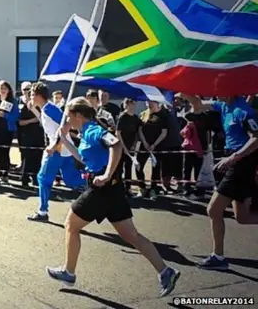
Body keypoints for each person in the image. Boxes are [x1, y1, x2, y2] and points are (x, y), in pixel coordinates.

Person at [46, 97, 180, 297]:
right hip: (111, 189)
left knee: (71, 225)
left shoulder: (93, 131)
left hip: (103, 189)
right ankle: (165, 271)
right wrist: (64, 140)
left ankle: (69, 272)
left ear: (78, 115)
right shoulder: (85, 133)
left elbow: (116, 145)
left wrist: (107, 174)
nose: (67, 120)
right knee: (130, 235)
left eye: (68, 116)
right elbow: (84, 158)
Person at [178, 94, 258, 270]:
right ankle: (219, 257)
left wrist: (233, 158)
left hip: (241, 163)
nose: (216, 90)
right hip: (234, 161)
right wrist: (184, 91)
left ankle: (218, 257)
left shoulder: (243, 110)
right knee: (243, 217)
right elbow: (198, 104)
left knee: (213, 210)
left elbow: (256, 138)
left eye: (219, 86)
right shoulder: (222, 105)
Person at [27, 82, 85, 222]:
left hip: (58, 150)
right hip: (65, 150)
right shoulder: (47, 109)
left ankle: (42, 211)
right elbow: (48, 125)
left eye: (32, 94)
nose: (30, 96)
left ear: (38, 95)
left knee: (43, 178)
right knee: (71, 180)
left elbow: (65, 125)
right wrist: (34, 110)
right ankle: (93, 180)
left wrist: (54, 145)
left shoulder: (50, 109)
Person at [0, 80, 20, 184]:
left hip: (7, 130)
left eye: (5, 88)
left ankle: (5, 175)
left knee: (5, 152)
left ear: (8, 90)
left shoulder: (13, 101)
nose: (3, 90)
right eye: (1, 88)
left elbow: (16, 117)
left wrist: (5, 115)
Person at [136, 101, 170, 199]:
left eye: (152, 102)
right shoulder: (143, 114)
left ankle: (153, 190)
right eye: (147, 102)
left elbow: (164, 132)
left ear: (157, 103)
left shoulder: (163, 115)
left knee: (155, 168)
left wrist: (154, 144)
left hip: (157, 146)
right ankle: (142, 188)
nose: (149, 104)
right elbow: (140, 130)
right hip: (144, 145)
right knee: (138, 166)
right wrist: (145, 143)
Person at [116, 98, 142, 195]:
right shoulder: (122, 117)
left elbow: (137, 132)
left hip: (131, 147)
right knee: (119, 168)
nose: (134, 105)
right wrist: (124, 148)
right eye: (132, 103)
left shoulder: (135, 118)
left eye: (135, 103)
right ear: (127, 104)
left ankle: (127, 188)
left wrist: (134, 145)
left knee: (128, 167)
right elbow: (118, 133)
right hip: (121, 147)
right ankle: (117, 187)